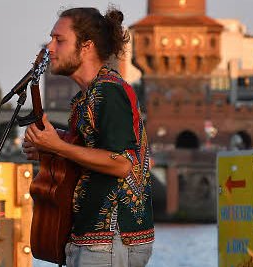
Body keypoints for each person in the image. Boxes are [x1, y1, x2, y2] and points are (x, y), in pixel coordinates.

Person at [23, 7, 154, 267]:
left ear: (86, 46)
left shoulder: (109, 92)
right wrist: (48, 151)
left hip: (111, 239)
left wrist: (58, 147)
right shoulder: (85, 97)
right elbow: (89, 158)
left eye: (59, 40)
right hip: (91, 240)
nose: (50, 47)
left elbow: (121, 163)